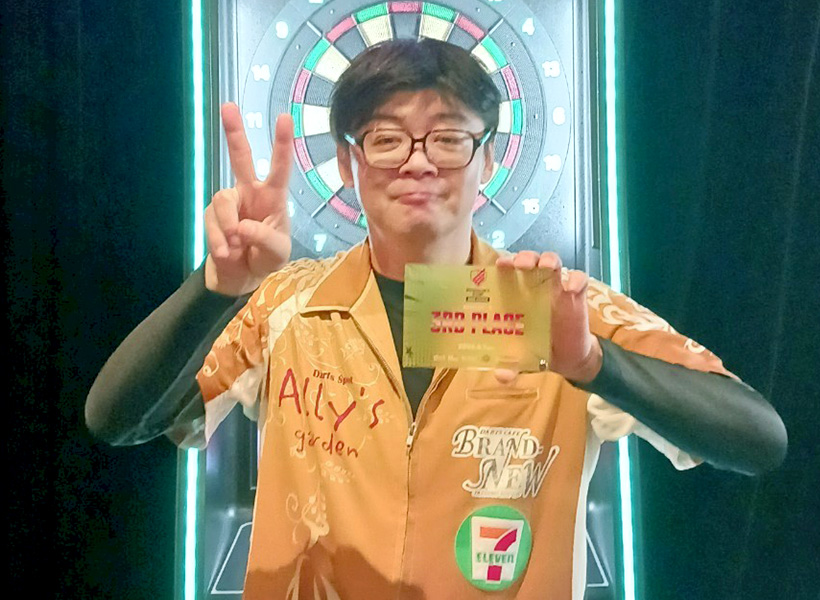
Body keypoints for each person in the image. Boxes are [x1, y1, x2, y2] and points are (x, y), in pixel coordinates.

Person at [86, 39, 787, 599]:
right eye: (386, 139)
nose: (418, 163)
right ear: (348, 162)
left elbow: (760, 439)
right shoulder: (286, 306)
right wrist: (217, 288)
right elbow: (115, 419)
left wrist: (592, 366)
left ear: (488, 158)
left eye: (449, 138)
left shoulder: (558, 310)